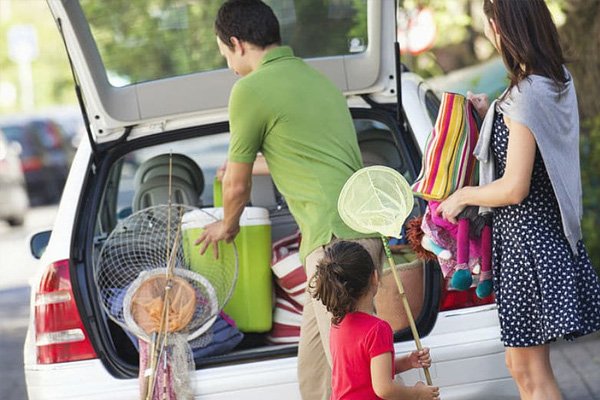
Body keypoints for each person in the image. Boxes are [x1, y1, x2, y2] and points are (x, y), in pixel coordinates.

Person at [195, 1, 384, 398]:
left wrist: (227, 225)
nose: (229, 64)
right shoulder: (318, 81)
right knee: (315, 375)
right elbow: (308, 153)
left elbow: (236, 188)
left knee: (356, 384)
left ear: (236, 43)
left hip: (334, 245)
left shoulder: (249, 89)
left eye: (225, 54)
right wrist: (243, 168)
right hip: (357, 235)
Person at [436, 1, 600, 399]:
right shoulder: (553, 79)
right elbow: (530, 140)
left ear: (503, 27)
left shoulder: (527, 93)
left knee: (530, 372)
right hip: (539, 241)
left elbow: (514, 187)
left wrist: (462, 196)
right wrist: (488, 111)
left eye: (491, 23)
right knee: (523, 367)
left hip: (527, 245)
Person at [309, 241, 440, 400]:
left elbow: (365, 371)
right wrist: (417, 394)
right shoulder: (377, 329)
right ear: (375, 277)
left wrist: (408, 362)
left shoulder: (338, 324)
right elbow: (384, 389)